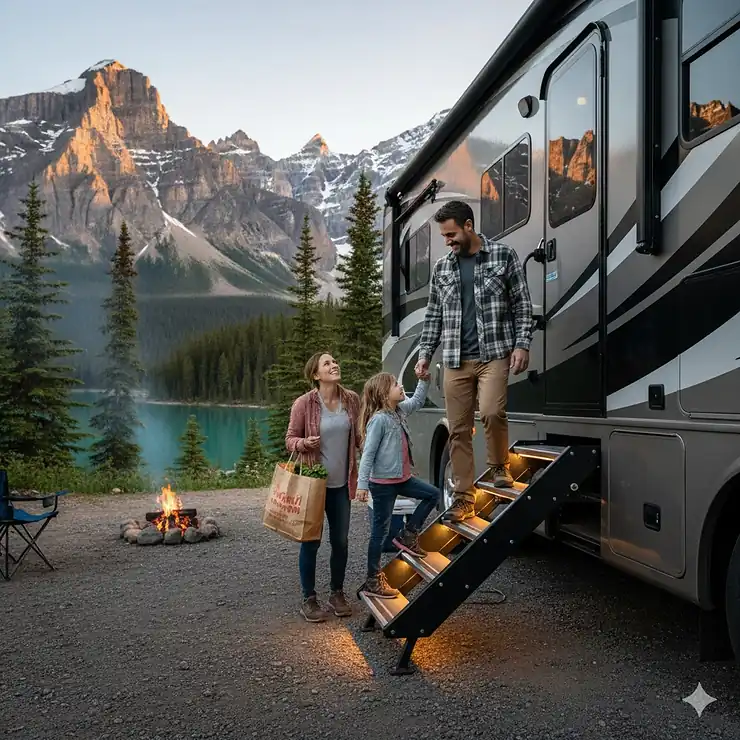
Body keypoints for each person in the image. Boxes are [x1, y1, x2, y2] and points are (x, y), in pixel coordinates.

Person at [414, 200, 533, 524]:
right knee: (458, 431)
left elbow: (522, 305)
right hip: (455, 360)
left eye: (451, 234)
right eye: (444, 236)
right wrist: (425, 355)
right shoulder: (442, 268)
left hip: (494, 354)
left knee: (493, 412)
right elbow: (434, 317)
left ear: (468, 226)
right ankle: (464, 499)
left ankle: (498, 466)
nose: (447, 241)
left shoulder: (502, 256)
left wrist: (522, 345)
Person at [285, 352, 361, 622]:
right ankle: (309, 598)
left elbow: (359, 436)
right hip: (313, 485)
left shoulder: (351, 399)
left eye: (334, 361)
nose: (334, 365)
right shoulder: (304, 403)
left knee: (340, 542)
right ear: (316, 375)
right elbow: (290, 439)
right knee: (311, 542)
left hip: (341, 485)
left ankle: (336, 593)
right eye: (327, 363)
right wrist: (303, 444)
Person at [355, 372, 439, 599]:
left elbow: (418, 401)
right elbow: (368, 454)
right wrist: (362, 485)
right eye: (395, 384)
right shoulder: (380, 420)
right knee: (379, 533)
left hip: (402, 479)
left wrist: (424, 379)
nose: (400, 386)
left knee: (433, 495)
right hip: (382, 485)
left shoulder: (398, 411)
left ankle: (408, 534)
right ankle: (373, 579)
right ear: (384, 394)